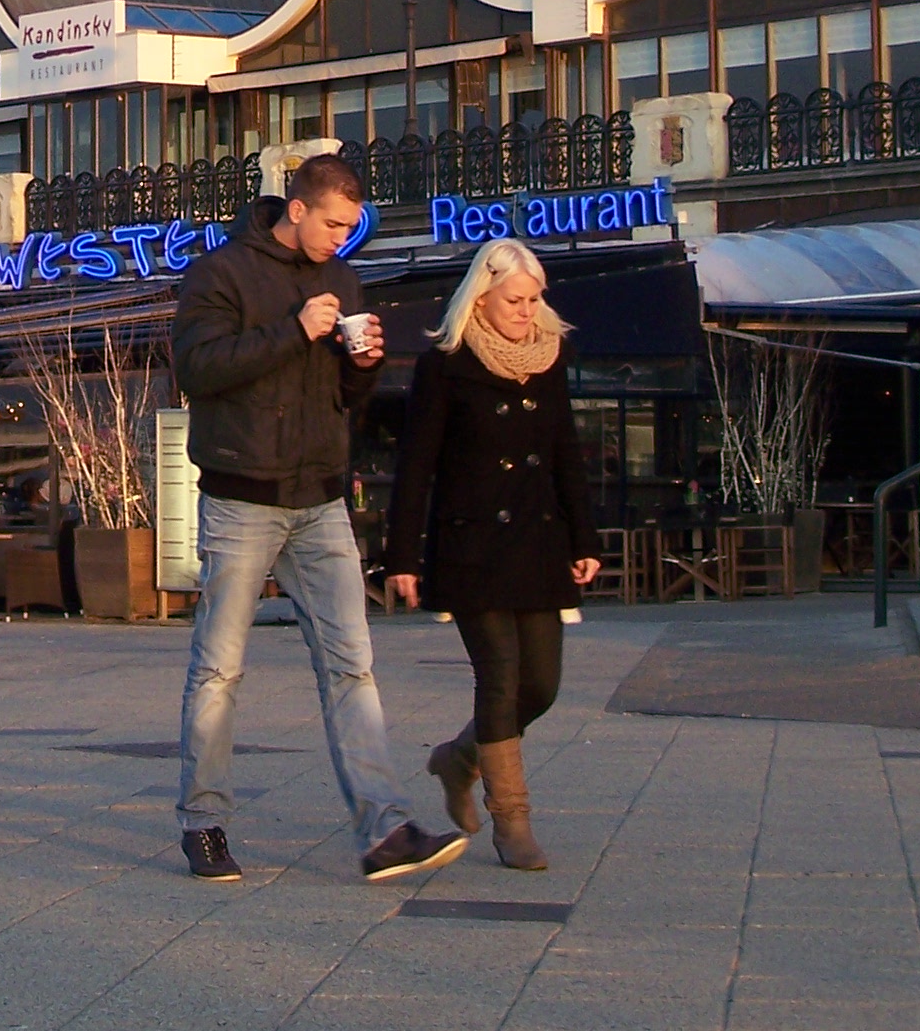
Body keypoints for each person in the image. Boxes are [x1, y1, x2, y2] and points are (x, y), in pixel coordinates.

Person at [170, 153, 463, 886]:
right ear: (296, 209)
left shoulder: (341, 277)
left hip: (320, 496)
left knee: (351, 665)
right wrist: (295, 331)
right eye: (333, 223)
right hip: (241, 496)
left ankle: (385, 827)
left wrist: (362, 364)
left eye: (352, 226)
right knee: (219, 667)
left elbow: (342, 396)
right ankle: (203, 822)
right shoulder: (221, 272)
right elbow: (197, 370)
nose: (342, 236)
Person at [385, 237, 601, 872]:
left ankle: (458, 757)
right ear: (482, 295)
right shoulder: (445, 363)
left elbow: (566, 452)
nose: (526, 310)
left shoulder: (551, 358)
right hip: (471, 545)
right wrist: (403, 556)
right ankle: (513, 820)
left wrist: (584, 537)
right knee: (500, 678)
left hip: (538, 543)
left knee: (542, 685)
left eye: (535, 300)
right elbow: (416, 466)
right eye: (515, 299)